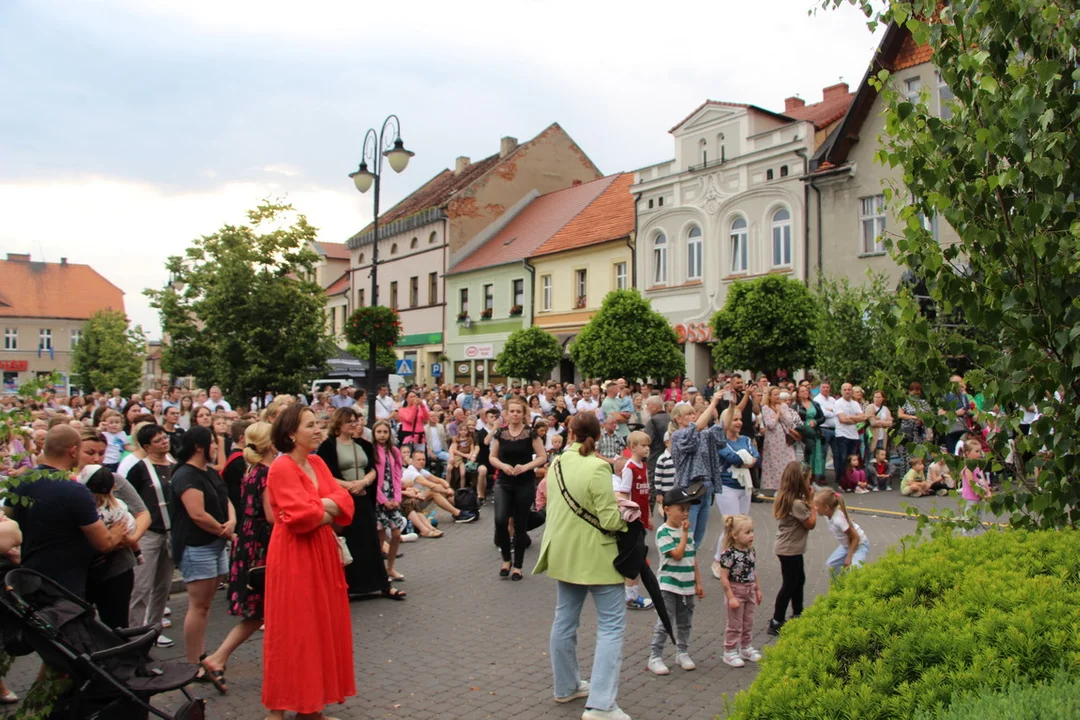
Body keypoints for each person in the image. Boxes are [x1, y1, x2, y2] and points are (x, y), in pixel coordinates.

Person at [533, 412, 630, 720]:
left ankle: (566, 687)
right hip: (598, 556)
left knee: (564, 620)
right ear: (598, 435)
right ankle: (601, 705)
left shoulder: (557, 463)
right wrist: (629, 518)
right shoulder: (599, 467)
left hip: (563, 551)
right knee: (611, 627)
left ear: (570, 432)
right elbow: (610, 519)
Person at [263, 403, 356, 718]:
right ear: (291, 433)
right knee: (295, 629)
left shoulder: (316, 462)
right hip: (294, 555)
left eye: (319, 424)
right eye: (310, 425)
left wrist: (321, 508)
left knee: (319, 627)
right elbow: (299, 518)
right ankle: (281, 707)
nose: (318, 430)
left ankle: (310, 705)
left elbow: (345, 505)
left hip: (321, 550)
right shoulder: (282, 466)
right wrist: (325, 508)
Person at [7, 426, 129, 600]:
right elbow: (104, 544)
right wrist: (116, 533)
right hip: (66, 583)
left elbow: (8, 519)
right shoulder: (75, 491)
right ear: (73, 451)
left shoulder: (20, 482)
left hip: (29, 575)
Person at [199, 422, 275, 695]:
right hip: (261, 544)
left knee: (259, 612)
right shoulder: (265, 472)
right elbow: (271, 516)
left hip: (249, 538)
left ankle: (219, 658)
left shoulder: (252, 469)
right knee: (264, 609)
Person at [316, 409, 405, 601]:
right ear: (339, 423)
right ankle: (346, 585)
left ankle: (381, 584)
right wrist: (349, 486)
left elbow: (372, 468)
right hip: (343, 497)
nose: (354, 424)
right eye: (349, 421)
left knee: (371, 540)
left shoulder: (363, 444)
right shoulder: (328, 446)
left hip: (364, 497)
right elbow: (326, 474)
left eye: (355, 421)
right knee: (348, 540)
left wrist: (363, 482)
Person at [170, 426, 236, 680]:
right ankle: (192, 663)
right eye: (212, 443)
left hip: (215, 543)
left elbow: (225, 498)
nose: (216, 447)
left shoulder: (207, 472)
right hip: (197, 546)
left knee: (205, 606)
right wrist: (227, 532)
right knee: (198, 606)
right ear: (198, 446)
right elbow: (197, 514)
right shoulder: (186, 475)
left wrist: (230, 521)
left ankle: (200, 656)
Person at [124, 424, 178, 647]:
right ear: (147, 446)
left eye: (165, 437)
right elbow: (130, 500)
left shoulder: (175, 465)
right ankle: (135, 634)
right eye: (158, 440)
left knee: (162, 586)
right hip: (149, 534)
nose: (164, 442)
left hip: (171, 533)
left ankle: (154, 630)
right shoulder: (139, 470)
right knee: (141, 586)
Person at [647, 483, 706, 677]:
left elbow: (692, 558)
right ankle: (655, 656)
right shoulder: (664, 532)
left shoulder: (684, 532)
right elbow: (678, 555)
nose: (685, 514)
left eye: (688, 510)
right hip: (669, 585)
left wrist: (698, 582)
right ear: (667, 510)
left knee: (685, 622)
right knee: (665, 622)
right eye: (681, 509)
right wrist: (685, 534)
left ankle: (682, 652)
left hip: (687, 585)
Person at [490, 397, 547, 581]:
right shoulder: (501, 433)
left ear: (524, 415)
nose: (515, 415)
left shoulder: (531, 434)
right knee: (500, 520)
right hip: (504, 481)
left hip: (524, 482)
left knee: (520, 524)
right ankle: (506, 559)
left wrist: (527, 466)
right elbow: (492, 456)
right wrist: (502, 466)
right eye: (512, 411)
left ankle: (518, 566)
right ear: (506, 413)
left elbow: (542, 456)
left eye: (518, 412)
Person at [769, 463, 815, 636]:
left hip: (791, 548)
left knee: (798, 580)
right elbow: (811, 524)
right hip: (789, 549)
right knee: (789, 584)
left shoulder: (786, 497)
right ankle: (776, 620)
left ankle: (798, 612)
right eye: (808, 478)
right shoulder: (797, 504)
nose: (810, 481)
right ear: (801, 481)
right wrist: (811, 501)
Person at [717, 514, 763, 668]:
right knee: (735, 623)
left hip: (749, 589)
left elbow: (753, 571)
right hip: (736, 590)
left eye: (752, 531)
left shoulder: (751, 551)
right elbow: (724, 577)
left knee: (748, 621)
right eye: (747, 532)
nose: (751, 535)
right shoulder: (729, 554)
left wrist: (758, 589)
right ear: (735, 535)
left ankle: (745, 647)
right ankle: (729, 650)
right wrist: (730, 597)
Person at [614, 431, 653, 611]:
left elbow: (646, 494)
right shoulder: (630, 468)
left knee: (638, 555)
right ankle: (631, 595)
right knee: (635, 557)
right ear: (632, 448)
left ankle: (630, 592)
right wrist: (628, 514)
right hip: (633, 519)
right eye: (643, 445)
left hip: (642, 518)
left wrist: (649, 516)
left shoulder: (643, 466)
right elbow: (623, 493)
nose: (647, 448)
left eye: (648, 445)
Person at [371, 419, 407, 582]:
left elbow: (398, 474)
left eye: (385, 432)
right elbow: (372, 478)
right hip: (379, 498)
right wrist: (383, 499)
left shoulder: (394, 451)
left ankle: (391, 567)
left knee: (396, 533)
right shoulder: (371, 451)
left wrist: (397, 497)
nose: (382, 435)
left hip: (393, 495)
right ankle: (379, 571)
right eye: (379, 432)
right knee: (379, 537)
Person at [813, 489, 870, 578]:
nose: (815, 508)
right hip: (847, 545)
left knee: (854, 570)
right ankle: (840, 587)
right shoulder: (828, 515)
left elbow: (856, 538)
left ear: (826, 508)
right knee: (831, 565)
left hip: (859, 545)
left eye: (817, 506)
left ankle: (858, 587)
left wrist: (849, 557)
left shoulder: (837, 520)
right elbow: (840, 511)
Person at [760, 387, 798, 493]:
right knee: (774, 464)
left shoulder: (784, 406)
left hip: (785, 438)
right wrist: (776, 414)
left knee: (789, 461)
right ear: (770, 396)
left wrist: (781, 412)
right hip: (773, 439)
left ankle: (789, 486)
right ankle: (775, 488)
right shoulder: (765, 408)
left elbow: (790, 422)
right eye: (775, 395)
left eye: (778, 394)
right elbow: (770, 425)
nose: (777, 397)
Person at [793, 385, 826, 486]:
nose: (805, 393)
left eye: (806, 391)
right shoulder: (795, 406)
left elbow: (823, 417)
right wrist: (803, 424)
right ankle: (803, 480)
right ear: (798, 394)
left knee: (815, 455)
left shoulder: (815, 404)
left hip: (815, 433)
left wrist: (815, 422)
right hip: (802, 433)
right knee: (804, 456)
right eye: (802, 391)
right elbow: (793, 419)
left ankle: (812, 480)